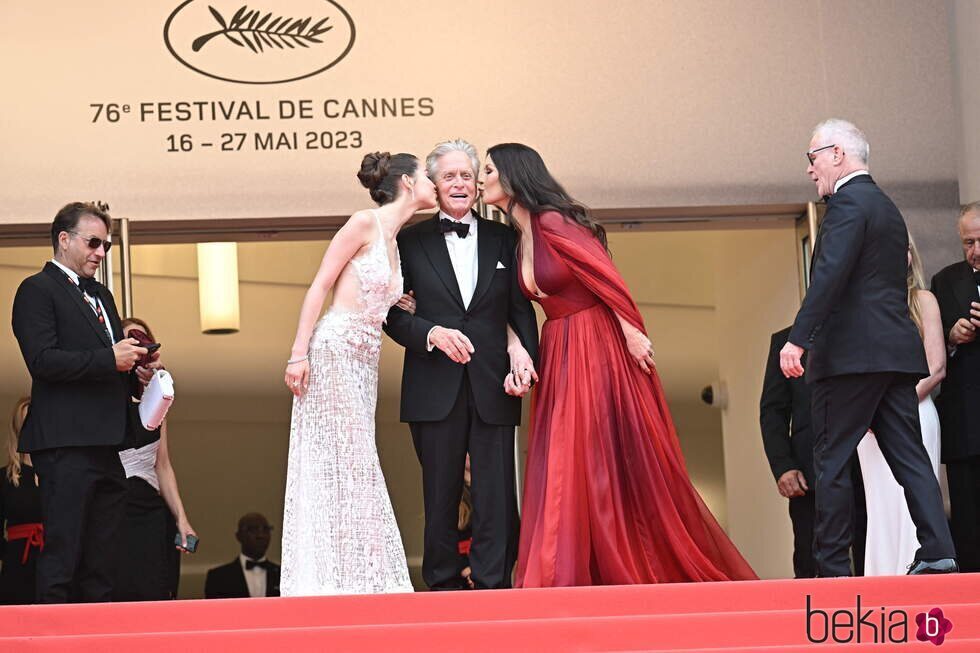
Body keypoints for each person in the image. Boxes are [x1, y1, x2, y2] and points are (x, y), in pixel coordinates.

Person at [482, 142, 756, 586]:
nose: (482, 178)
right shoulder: (519, 236)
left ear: (514, 175)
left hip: (595, 343)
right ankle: (566, 573)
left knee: (591, 453)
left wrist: (630, 330)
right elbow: (519, 306)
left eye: (489, 169)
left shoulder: (554, 221)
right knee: (561, 457)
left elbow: (607, 278)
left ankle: (604, 570)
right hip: (560, 346)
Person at [780, 119, 957, 576]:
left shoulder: (846, 205)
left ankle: (835, 569)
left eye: (812, 156)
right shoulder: (886, 207)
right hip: (895, 356)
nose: (810, 169)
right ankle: (938, 550)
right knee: (910, 455)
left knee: (832, 458)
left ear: (838, 154)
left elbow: (830, 278)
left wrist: (797, 339)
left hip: (849, 361)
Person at [383, 139, 539, 591]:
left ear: (476, 184)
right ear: (433, 184)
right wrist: (429, 332)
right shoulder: (407, 241)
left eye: (467, 175)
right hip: (433, 385)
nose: (459, 183)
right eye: (449, 176)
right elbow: (391, 313)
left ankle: (494, 586)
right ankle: (443, 588)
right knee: (441, 493)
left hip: (494, 382)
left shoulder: (506, 238)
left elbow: (520, 310)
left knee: (496, 492)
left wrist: (523, 353)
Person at [280, 151, 437, 595]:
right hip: (333, 349)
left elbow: (373, 294)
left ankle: (350, 575)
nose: (434, 184)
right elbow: (321, 284)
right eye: (428, 176)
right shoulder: (364, 222)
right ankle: (356, 580)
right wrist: (298, 352)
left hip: (365, 360)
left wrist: (396, 302)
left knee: (353, 460)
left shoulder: (395, 238)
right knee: (351, 461)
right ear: (408, 182)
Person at [11, 201, 150, 603]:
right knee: (64, 553)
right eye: (93, 242)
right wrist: (110, 359)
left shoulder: (103, 295)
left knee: (103, 560)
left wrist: (133, 374)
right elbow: (43, 360)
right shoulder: (36, 290)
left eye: (105, 245)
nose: (100, 253)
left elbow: (105, 365)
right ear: (64, 239)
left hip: (108, 442)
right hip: (66, 442)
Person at [856, 236, 945, 575]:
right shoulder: (861, 304)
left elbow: (936, 368)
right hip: (868, 421)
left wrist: (889, 408)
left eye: (904, 247)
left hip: (913, 413)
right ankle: (882, 579)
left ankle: (920, 571)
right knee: (880, 503)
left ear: (912, 256)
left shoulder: (924, 301)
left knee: (916, 499)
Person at [760, 329, 868, 578]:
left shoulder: (861, 331)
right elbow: (773, 411)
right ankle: (811, 615)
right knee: (809, 559)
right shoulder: (784, 340)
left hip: (863, 464)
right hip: (808, 471)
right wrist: (783, 465)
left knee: (870, 549)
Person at [112, 317, 196, 600]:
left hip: (150, 508)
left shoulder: (157, 397)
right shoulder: (102, 397)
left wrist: (182, 519)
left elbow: (163, 465)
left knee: (155, 589)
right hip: (114, 506)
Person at [930, 200, 980, 572]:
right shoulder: (945, 281)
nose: (974, 251)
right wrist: (952, 335)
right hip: (966, 423)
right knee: (967, 520)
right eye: (967, 243)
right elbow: (931, 351)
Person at [1, 397, 43, 604]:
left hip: (55, 566)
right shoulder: (5, 478)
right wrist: (9, 554)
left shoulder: (61, 476)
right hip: (17, 566)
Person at [204, 513, 280, 598]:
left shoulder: (282, 575)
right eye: (253, 530)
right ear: (239, 536)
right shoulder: (218, 578)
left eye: (266, 529)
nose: (260, 535)